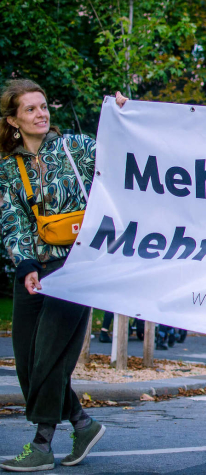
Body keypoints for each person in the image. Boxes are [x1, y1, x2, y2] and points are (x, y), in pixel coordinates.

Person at [0, 81, 127, 472]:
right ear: (13, 120)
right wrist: (25, 265)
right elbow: (11, 219)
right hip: (34, 272)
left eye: (44, 107)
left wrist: (124, 115)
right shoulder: (8, 167)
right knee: (27, 361)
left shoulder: (77, 148)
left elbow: (122, 154)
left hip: (77, 267)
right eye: (31, 109)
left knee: (50, 357)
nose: (42, 113)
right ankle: (83, 424)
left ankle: (41, 445)